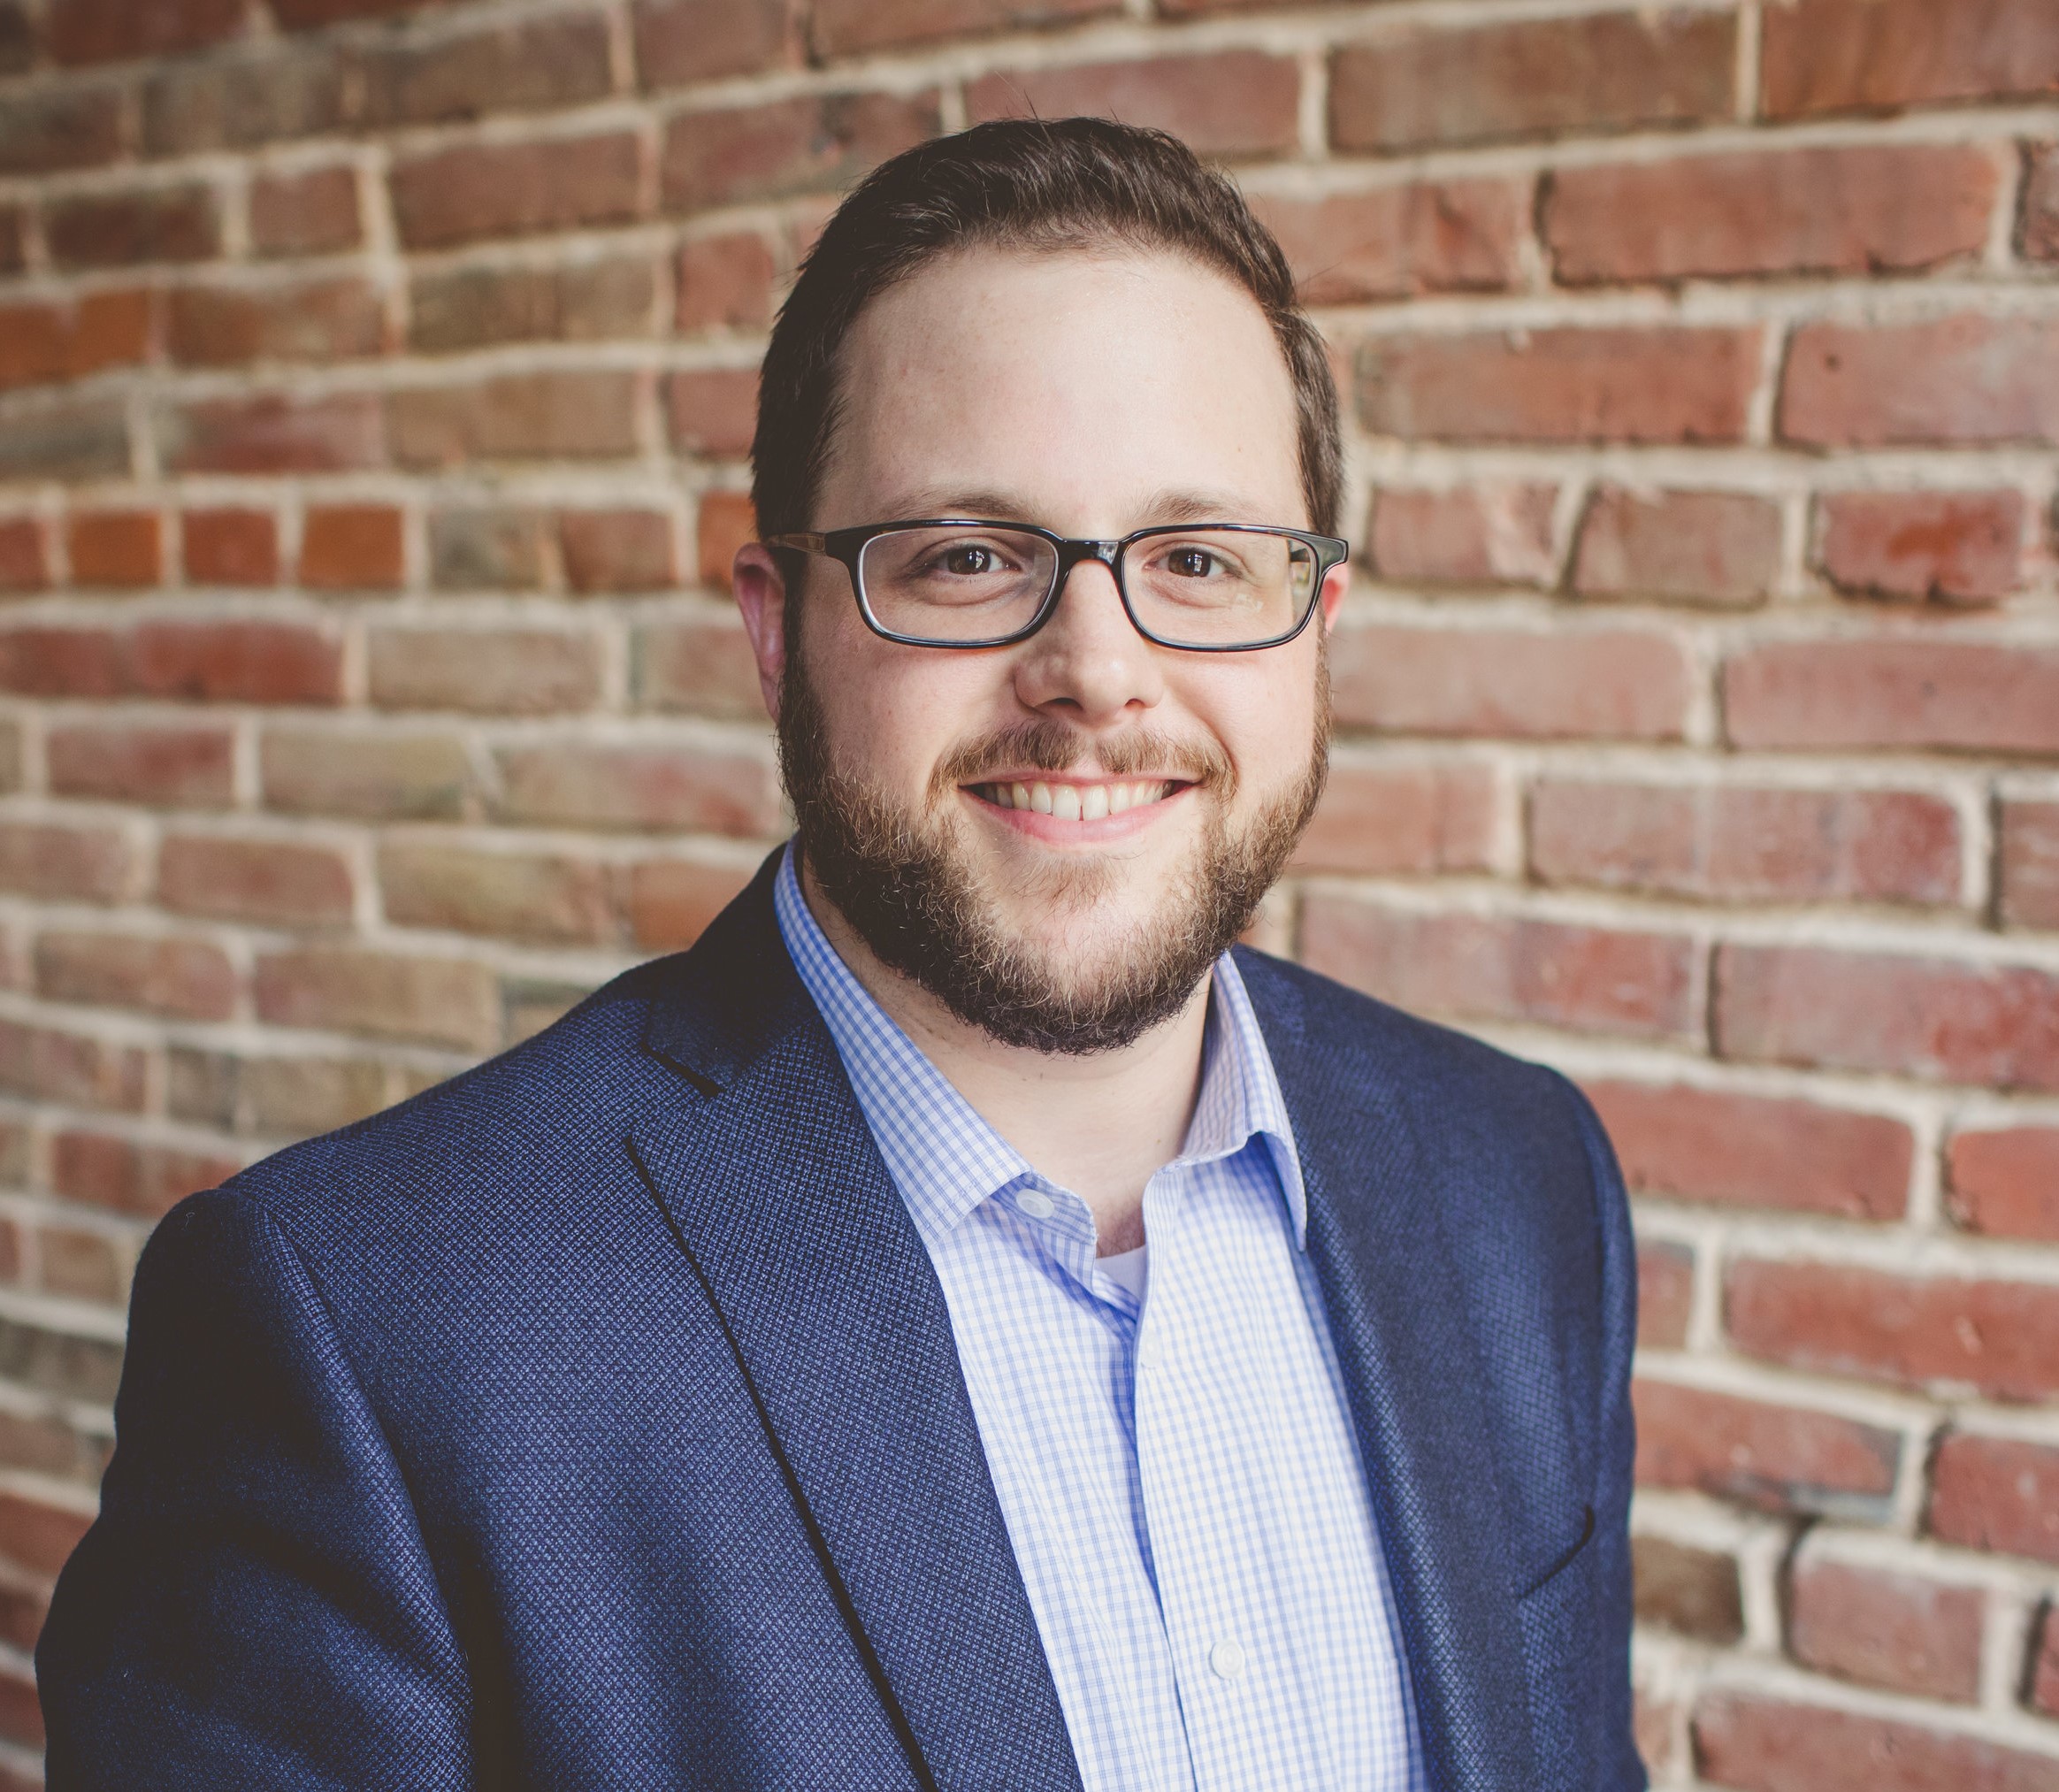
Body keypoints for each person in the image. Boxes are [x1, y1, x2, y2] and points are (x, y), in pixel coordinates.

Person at [37, 119, 1642, 1791]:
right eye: (967, 558)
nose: (1097, 671)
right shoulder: (365, 1335)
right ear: (773, 627)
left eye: (1198, 561)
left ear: (1315, 629)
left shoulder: (1520, 1184)